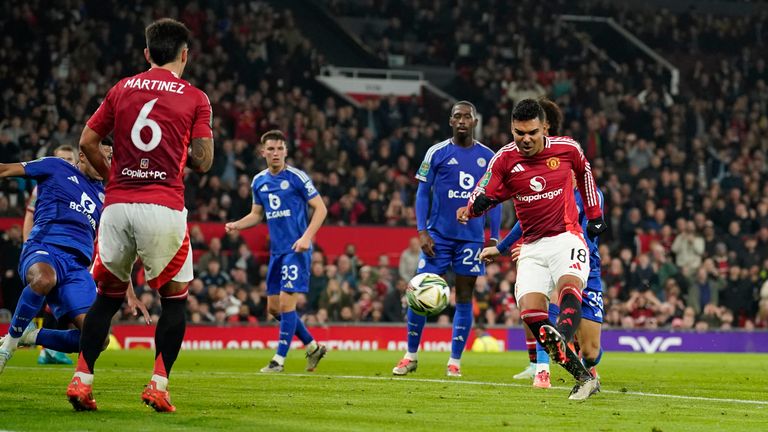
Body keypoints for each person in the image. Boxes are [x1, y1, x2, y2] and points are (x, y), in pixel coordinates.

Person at [66, 18, 214, 412]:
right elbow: (203, 162)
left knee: (106, 299)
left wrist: (113, 173)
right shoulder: (195, 97)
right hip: (162, 206)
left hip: (116, 206)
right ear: (185, 54)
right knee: (175, 300)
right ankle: (158, 386)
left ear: (147, 54)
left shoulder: (121, 88)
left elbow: (87, 141)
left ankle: (81, 380)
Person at [458, 99, 606, 400]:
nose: (525, 139)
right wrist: (475, 207)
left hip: (567, 237)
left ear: (544, 129)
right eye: (518, 133)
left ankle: (562, 337)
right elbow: (483, 190)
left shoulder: (567, 149)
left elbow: (586, 173)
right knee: (530, 312)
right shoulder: (503, 159)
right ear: (512, 129)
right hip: (532, 246)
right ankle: (583, 378)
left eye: (532, 133)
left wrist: (595, 217)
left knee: (568, 287)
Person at [0, 144, 148, 374]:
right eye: (101, 156)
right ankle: (9, 344)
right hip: (44, 248)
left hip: (77, 268)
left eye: (109, 157)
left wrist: (130, 293)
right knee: (43, 279)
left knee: (97, 339)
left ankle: (30, 335)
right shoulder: (56, 166)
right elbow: (5, 170)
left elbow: (114, 249)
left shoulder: (106, 197)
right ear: (82, 155)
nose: (105, 162)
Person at [392, 101, 501, 378]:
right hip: (438, 237)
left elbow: (496, 199)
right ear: (450, 121)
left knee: (464, 296)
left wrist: (495, 237)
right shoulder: (436, 152)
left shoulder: (488, 157)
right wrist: (421, 231)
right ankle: (410, 355)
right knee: (418, 292)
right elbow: (422, 193)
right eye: (457, 116)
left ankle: (455, 361)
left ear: (475, 122)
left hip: (471, 240)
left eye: (467, 116)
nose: (462, 121)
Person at [225, 130, 328, 373]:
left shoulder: (296, 177)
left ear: (286, 151)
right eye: (271, 149)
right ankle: (313, 347)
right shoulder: (258, 181)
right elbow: (256, 215)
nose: (276, 153)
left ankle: (278, 361)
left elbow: (321, 209)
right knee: (273, 308)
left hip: (297, 249)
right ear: (263, 152)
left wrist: (306, 238)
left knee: (285, 304)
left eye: (280, 148)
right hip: (276, 252)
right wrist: (237, 224)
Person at [22, 144, 78, 366]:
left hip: (69, 250)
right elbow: (30, 216)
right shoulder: (42, 186)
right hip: (45, 246)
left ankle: (49, 350)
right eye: (61, 159)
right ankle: (46, 348)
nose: (66, 162)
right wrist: (28, 244)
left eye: (69, 159)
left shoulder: (80, 183)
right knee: (48, 293)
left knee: (61, 299)